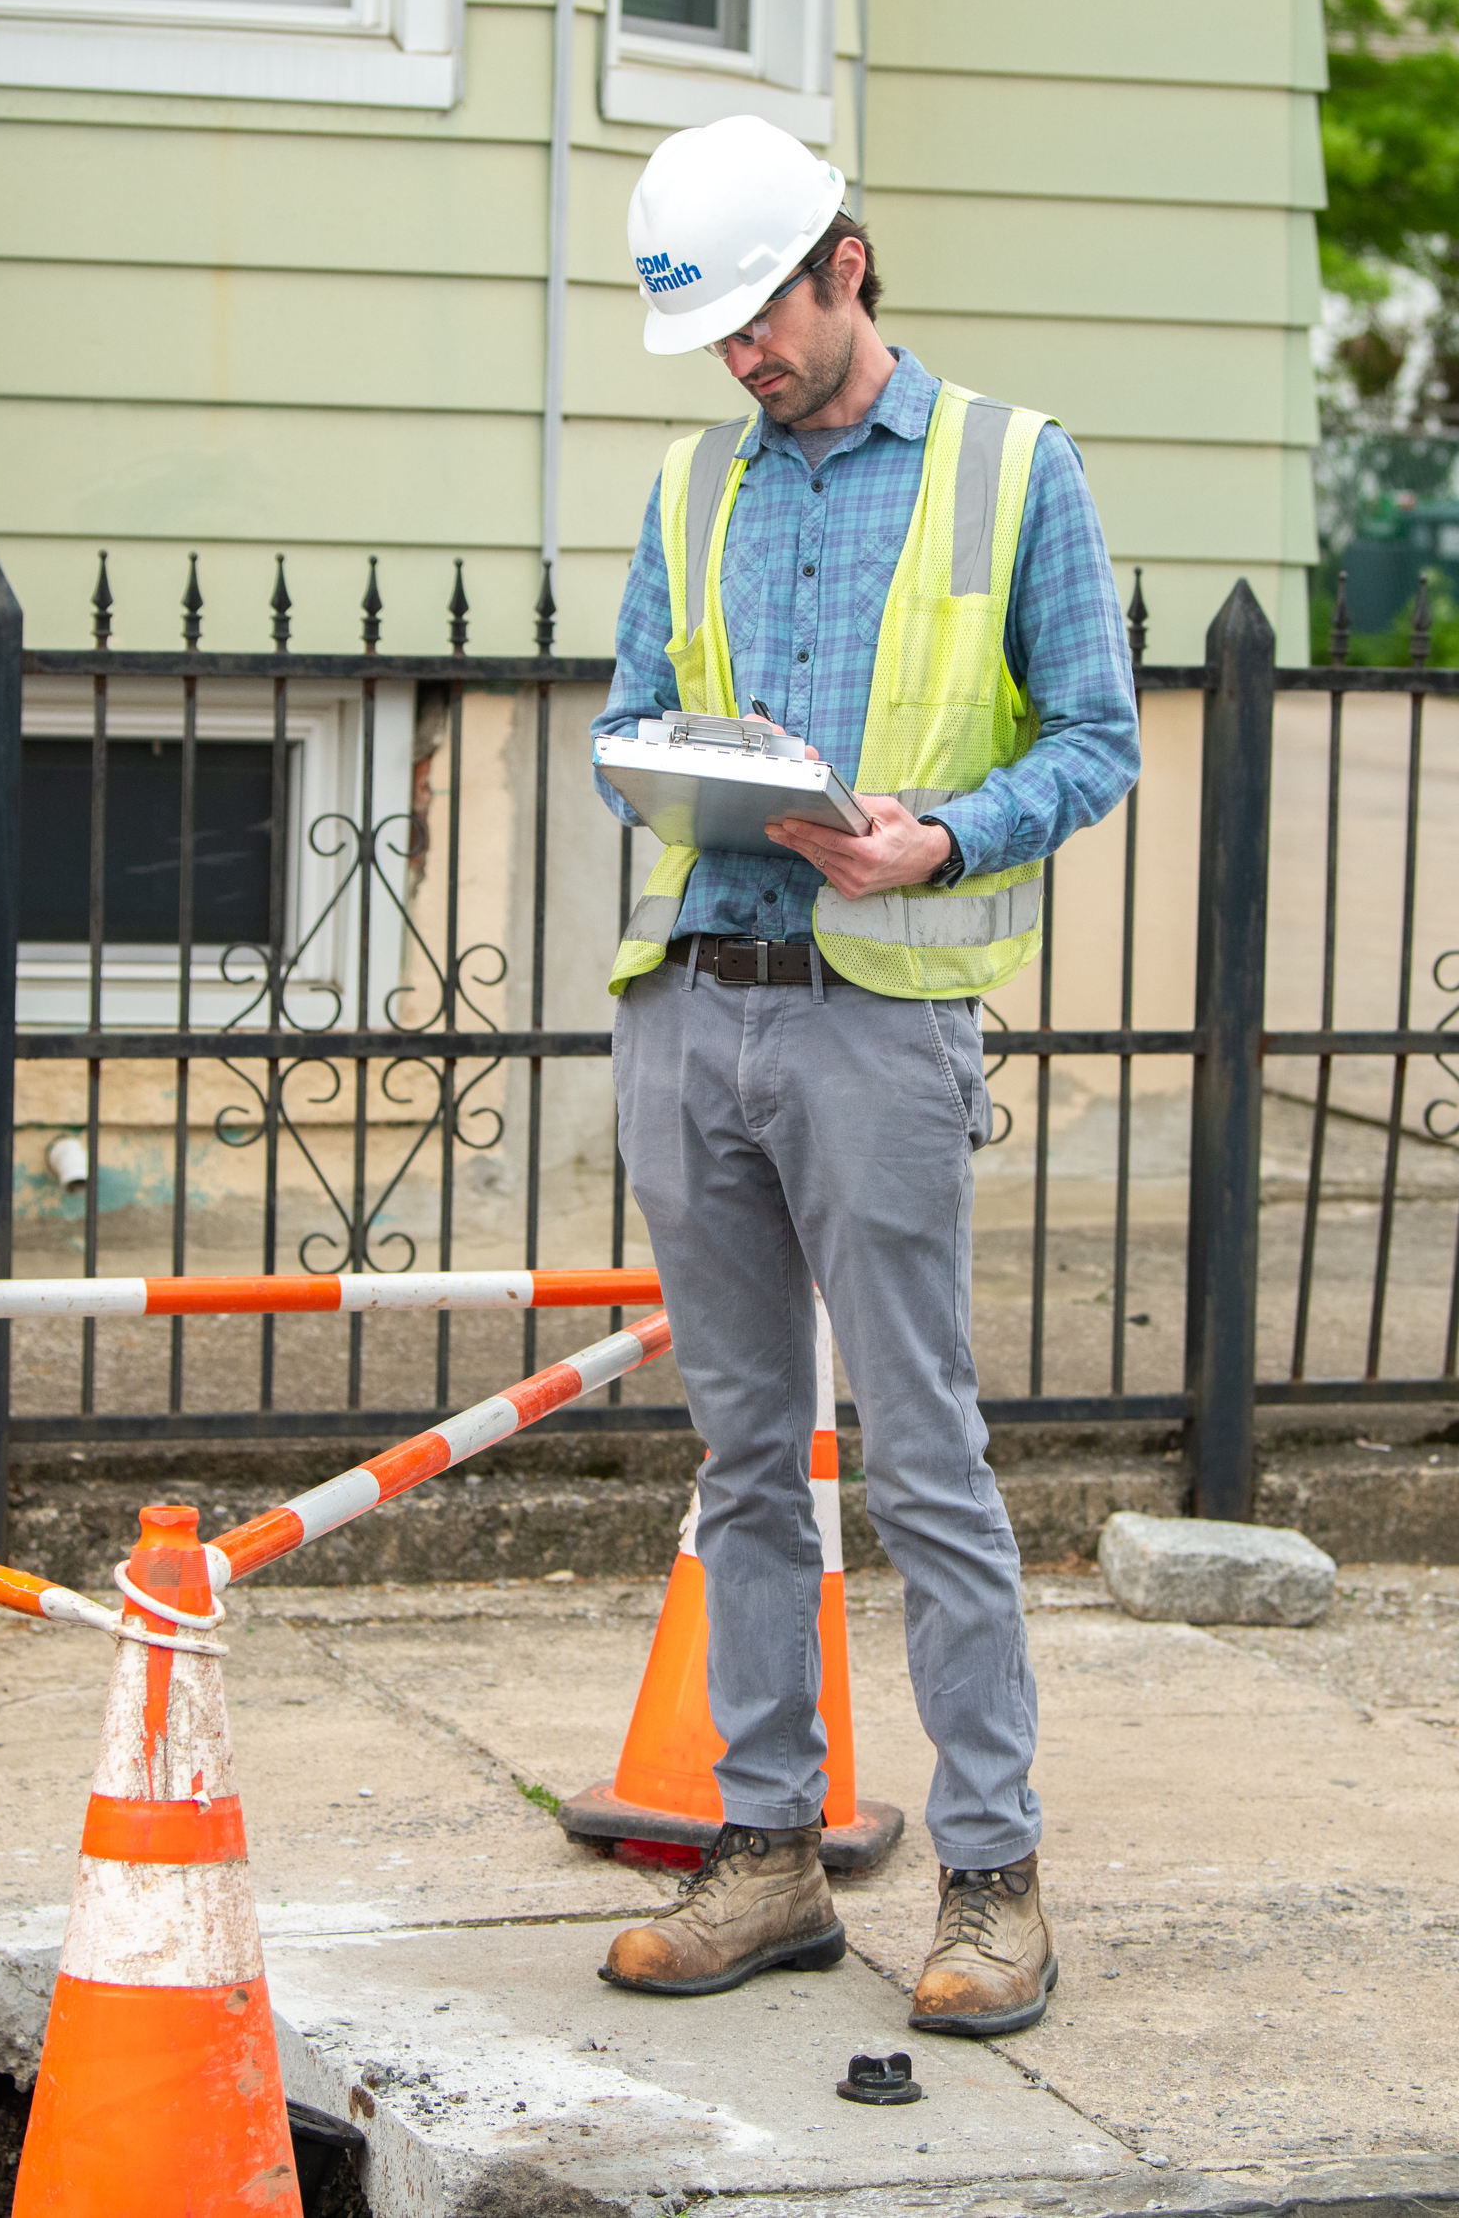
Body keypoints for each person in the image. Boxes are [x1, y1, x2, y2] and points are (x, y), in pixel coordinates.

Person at [588, 114, 1139, 2039]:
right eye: (713, 334)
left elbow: (1097, 739)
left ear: (845, 262)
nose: (742, 358)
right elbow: (623, 723)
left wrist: (944, 839)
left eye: (760, 318)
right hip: (692, 1002)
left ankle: (995, 1884)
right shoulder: (691, 485)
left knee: (922, 1460)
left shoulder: (1013, 468)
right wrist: (677, 763)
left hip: (880, 1018)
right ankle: (768, 1857)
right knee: (746, 1460)